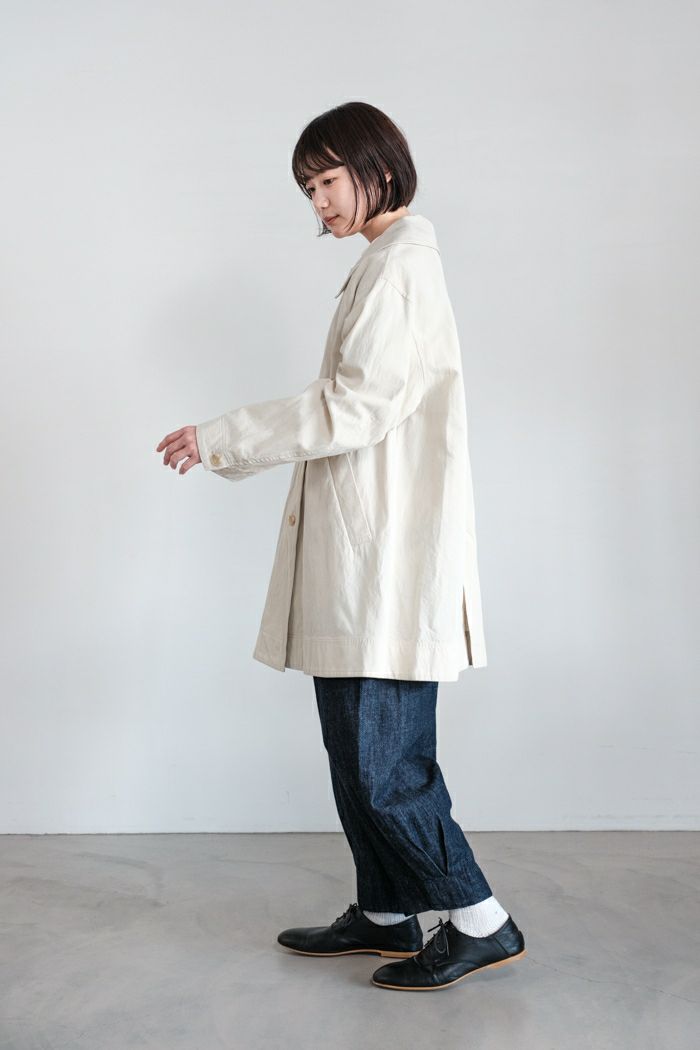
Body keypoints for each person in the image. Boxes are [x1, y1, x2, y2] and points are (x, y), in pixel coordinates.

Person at [155, 101, 526, 992]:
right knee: (354, 750)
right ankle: (388, 911)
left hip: (386, 560)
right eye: (308, 188)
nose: (318, 202)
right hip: (366, 555)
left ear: (377, 169)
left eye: (326, 181)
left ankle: (482, 920)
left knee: (384, 764)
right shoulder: (383, 264)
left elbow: (354, 407)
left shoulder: (401, 269)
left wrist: (223, 436)